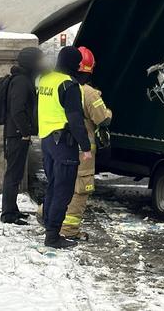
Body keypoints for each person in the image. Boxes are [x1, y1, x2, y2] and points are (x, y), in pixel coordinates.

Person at [37, 46, 92, 249]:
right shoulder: (69, 85)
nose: (79, 65)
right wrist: (85, 147)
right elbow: (76, 120)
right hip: (64, 143)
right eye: (78, 62)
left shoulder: (46, 80)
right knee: (63, 191)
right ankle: (53, 237)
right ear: (72, 63)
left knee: (52, 186)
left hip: (47, 141)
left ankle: (49, 227)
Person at [60, 46, 113, 240]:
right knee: (80, 189)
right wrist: (108, 113)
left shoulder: (62, 85)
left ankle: (45, 213)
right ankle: (69, 230)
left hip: (61, 146)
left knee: (61, 184)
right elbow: (102, 119)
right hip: (84, 150)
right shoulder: (89, 93)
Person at [1, 47, 44, 225]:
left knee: (16, 174)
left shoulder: (23, 80)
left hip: (16, 133)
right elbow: (17, 110)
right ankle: (8, 214)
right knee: (13, 174)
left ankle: (12, 210)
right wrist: (26, 132)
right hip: (17, 134)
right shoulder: (21, 82)